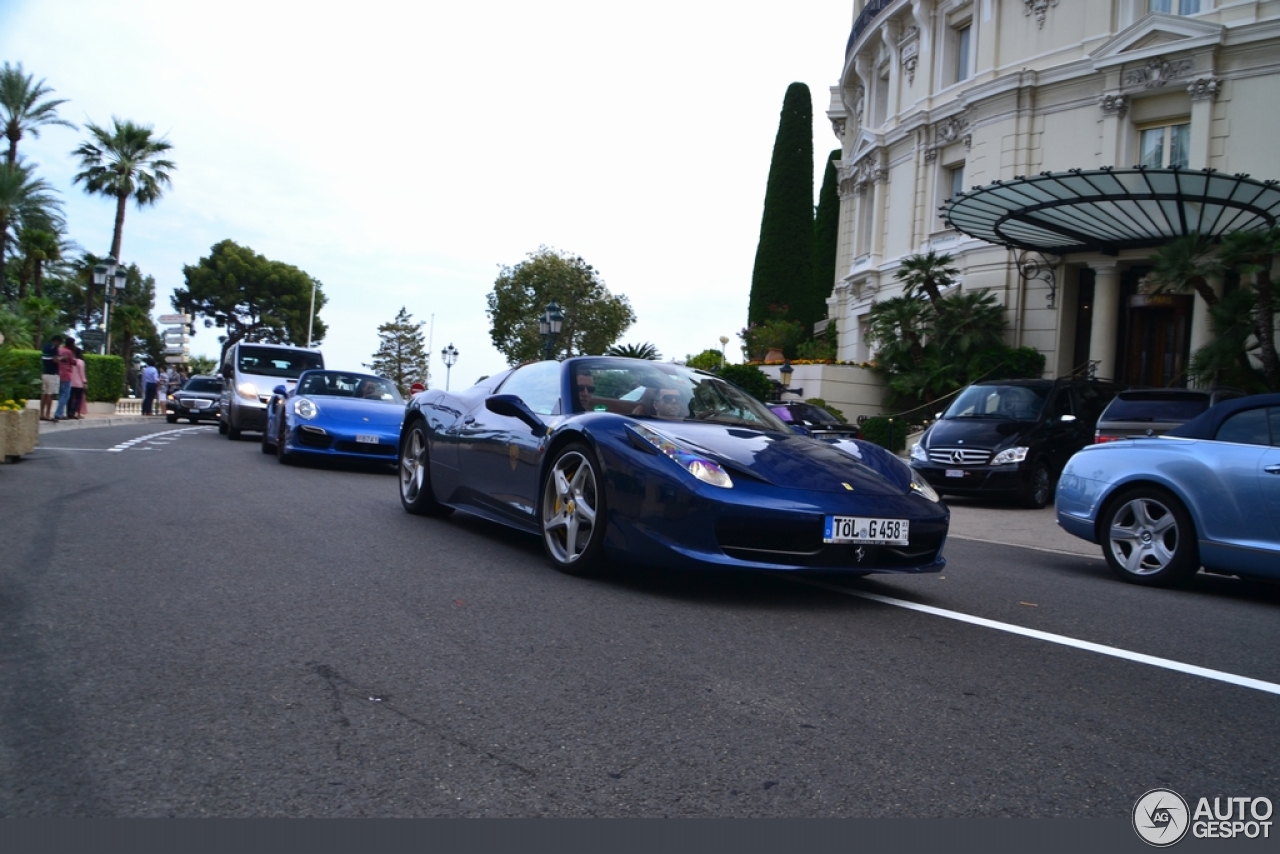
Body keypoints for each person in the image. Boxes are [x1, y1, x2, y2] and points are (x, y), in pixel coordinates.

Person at [40, 334, 63, 421]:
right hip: (52, 374)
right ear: (57, 341)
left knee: (44, 394)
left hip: (45, 373)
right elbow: (55, 360)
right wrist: (61, 358)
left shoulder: (45, 347)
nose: (59, 345)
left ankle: (42, 413)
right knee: (50, 394)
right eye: (59, 343)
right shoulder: (54, 348)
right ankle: (47, 415)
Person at [52, 337, 77, 420]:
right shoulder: (69, 352)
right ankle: (59, 413)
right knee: (65, 395)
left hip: (59, 373)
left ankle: (59, 413)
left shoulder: (60, 350)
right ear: (71, 344)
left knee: (61, 395)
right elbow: (74, 362)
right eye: (74, 343)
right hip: (66, 375)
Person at [68, 344, 87, 420]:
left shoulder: (71, 361)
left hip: (71, 382)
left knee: (71, 398)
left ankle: (69, 412)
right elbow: (82, 373)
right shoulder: (81, 362)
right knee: (79, 398)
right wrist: (84, 382)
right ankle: (73, 411)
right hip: (79, 383)